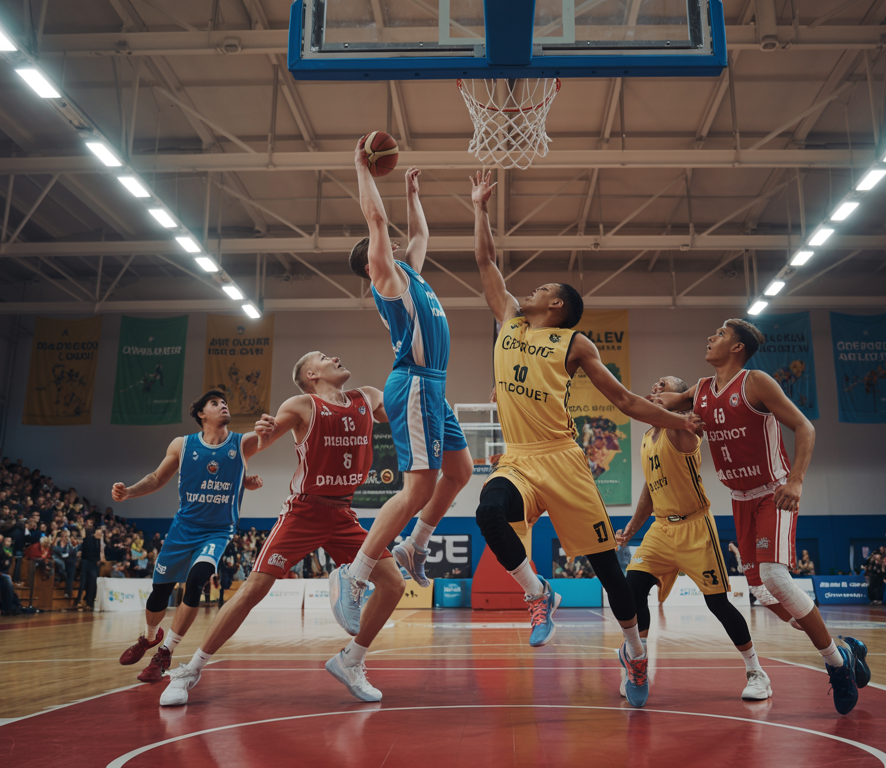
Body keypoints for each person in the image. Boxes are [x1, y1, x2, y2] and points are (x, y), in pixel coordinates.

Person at [465, 170, 704, 709]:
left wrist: (677, 421)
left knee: (607, 572)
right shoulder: (508, 320)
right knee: (488, 511)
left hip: (566, 463)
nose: (529, 290)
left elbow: (623, 401)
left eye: (542, 290)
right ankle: (538, 593)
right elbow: (485, 262)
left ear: (556, 307)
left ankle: (635, 652)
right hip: (520, 460)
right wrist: (478, 208)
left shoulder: (574, 343)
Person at [160, 353, 405, 706]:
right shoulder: (302, 405)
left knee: (394, 583)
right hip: (304, 511)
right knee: (253, 590)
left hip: (342, 514)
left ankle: (351, 660)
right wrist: (262, 434)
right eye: (323, 358)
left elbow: (402, 415)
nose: (334, 357)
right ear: (310, 374)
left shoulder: (366, 397)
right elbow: (263, 439)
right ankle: (190, 670)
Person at [651, 319, 867, 715]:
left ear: (736, 348)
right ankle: (843, 647)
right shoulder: (699, 391)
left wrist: (797, 481)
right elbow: (653, 405)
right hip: (739, 498)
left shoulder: (756, 382)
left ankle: (838, 665)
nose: (710, 336)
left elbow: (805, 426)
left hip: (774, 491)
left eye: (718, 334)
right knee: (763, 591)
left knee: (774, 577)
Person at [330, 146, 473, 630]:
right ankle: (355, 575)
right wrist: (360, 169)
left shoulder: (410, 272)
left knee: (460, 470)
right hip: (412, 382)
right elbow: (376, 219)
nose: (391, 247)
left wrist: (413, 194)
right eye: (382, 248)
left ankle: (414, 545)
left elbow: (419, 234)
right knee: (416, 488)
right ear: (372, 262)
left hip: (432, 387)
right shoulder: (386, 277)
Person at [614, 375, 771, 702]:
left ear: (679, 398)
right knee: (631, 590)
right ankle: (636, 660)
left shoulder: (681, 428)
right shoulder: (648, 437)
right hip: (660, 528)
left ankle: (756, 671)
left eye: (664, 385)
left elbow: (685, 414)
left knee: (717, 603)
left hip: (695, 526)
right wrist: (631, 527)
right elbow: (650, 488)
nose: (656, 387)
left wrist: (680, 407)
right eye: (655, 385)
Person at [111, 390, 264, 683]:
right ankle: (149, 637)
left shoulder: (241, 443)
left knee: (196, 582)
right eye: (216, 403)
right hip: (183, 529)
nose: (223, 406)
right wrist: (129, 491)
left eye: (225, 403)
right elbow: (157, 478)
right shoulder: (183, 445)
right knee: (160, 592)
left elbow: (275, 433)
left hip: (217, 531)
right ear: (201, 414)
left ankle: (165, 651)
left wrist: (272, 427)